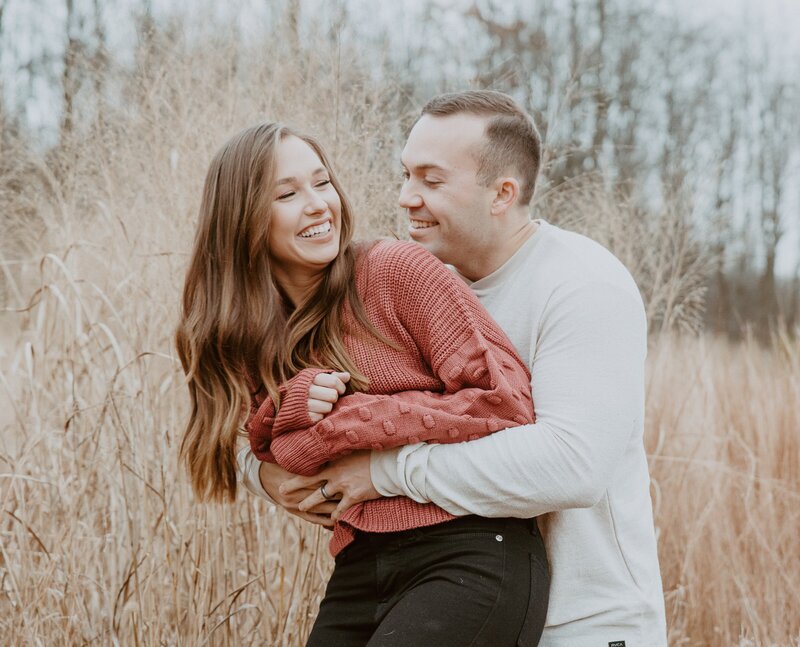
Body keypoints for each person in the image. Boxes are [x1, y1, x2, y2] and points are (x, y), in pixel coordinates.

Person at [239, 90, 669, 646]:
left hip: (581, 623)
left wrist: (382, 472)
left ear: (502, 193)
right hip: (436, 600)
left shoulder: (582, 285)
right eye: (405, 175)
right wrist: (272, 477)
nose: (405, 198)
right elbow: (243, 424)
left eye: (431, 181)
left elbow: (573, 465)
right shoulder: (408, 288)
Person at [176, 121, 549, 646]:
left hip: (469, 549)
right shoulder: (245, 333)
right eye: (287, 193)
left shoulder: (396, 270)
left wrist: (349, 421)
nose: (317, 205)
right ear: (241, 221)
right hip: (359, 562)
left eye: (322, 182)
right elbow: (267, 454)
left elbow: (507, 404)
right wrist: (288, 412)